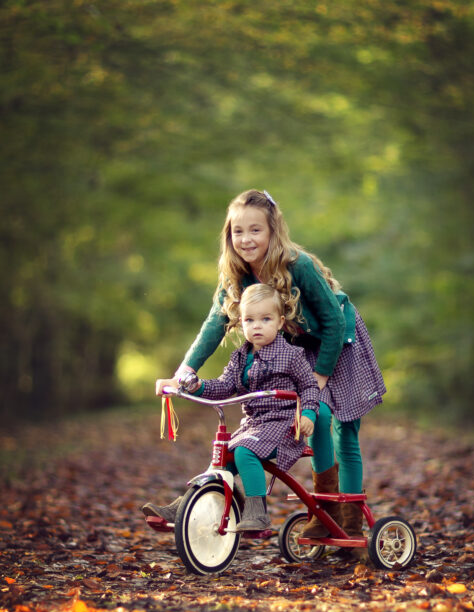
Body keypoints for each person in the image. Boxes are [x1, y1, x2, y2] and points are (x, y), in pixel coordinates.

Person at [145, 189, 386, 546]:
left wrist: (318, 379)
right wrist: (184, 373)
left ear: (273, 230)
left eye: (255, 230)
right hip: (299, 344)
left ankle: (349, 519)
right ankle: (325, 515)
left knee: (343, 427)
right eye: (238, 231)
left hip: (339, 338)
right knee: (316, 416)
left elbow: (333, 323)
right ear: (229, 235)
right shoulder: (236, 275)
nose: (246, 239)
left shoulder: (297, 265)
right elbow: (214, 324)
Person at [166, 283, 321, 531]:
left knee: (244, 451)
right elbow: (225, 386)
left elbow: (310, 387)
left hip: (282, 425)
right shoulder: (240, 357)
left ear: (280, 322)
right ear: (241, 323)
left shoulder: (291, 355)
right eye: (249, 320)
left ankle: (257, 511)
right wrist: (196, 386)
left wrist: (309, 414)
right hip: (253, 425)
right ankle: (185, 505)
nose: (256, 325)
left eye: (265, 319)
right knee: (222, 461)